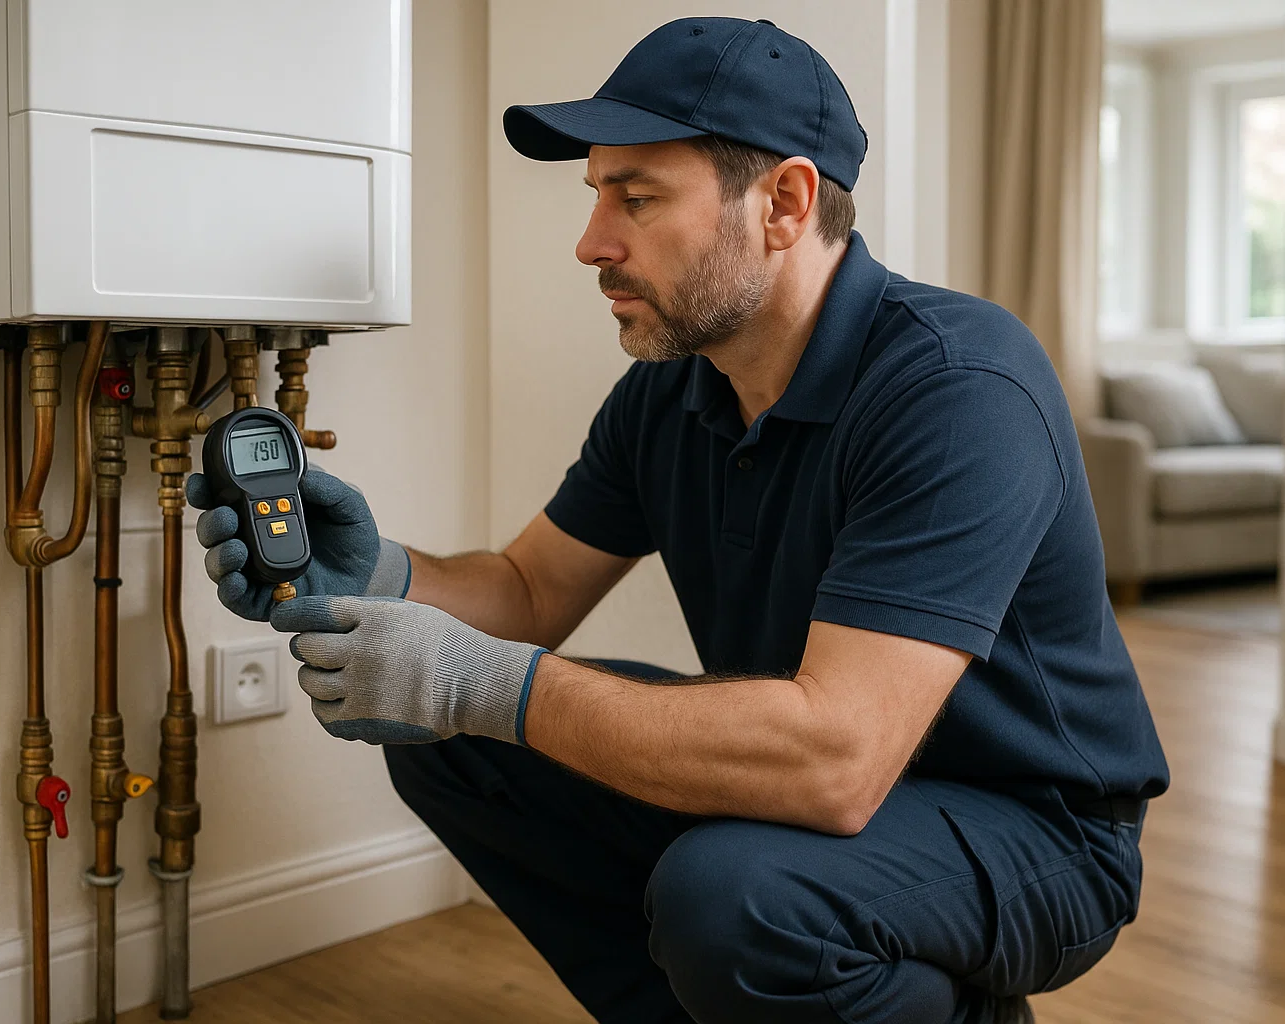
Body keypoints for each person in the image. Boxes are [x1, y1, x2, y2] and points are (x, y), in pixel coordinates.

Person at [187, 16, 1168, 1024]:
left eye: (638, 198)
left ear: (783, 202)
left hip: (1034, 829)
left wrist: (482, 678)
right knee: (453, 739)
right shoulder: (676, 387)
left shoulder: (960, 387)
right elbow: (527, 592)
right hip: (823, 776)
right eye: (597, 194)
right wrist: (381, 575)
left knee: (735, 892)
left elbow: (834, 759)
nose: (592, 242)